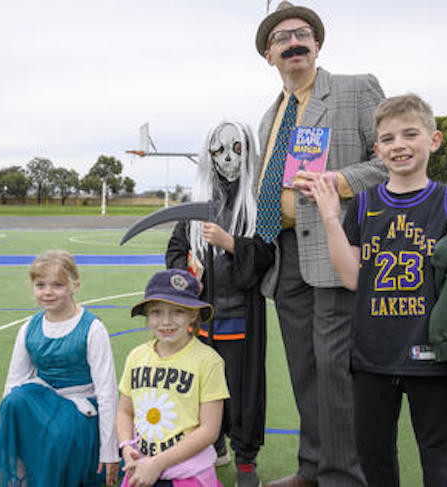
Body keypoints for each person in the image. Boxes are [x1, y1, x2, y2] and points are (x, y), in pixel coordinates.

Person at [310, 93, 447, 486]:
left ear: (434, 139)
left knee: (440, 458)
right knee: (374, 458)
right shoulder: (363, 206)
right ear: (377, 149)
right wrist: (330, 217)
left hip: (431, 354)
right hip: (372, 355)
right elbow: (352, 278)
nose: (399, 145)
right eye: (389, 138)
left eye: (410, 134)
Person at [253, 2, 386, 486]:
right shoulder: (271, 117)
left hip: (334, 251)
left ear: (317, 44)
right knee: (305, 372)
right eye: (282, 38)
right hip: (285, 256)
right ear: (269, 56)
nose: (294, 42)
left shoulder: (354, 89)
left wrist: (338, 182)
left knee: (334, 373)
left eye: (302, 33)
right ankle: (312, 467)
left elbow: (390, 161)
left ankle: (344, 478)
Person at [166, 121, 274, 487]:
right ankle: (213, 444)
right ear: (207, 154)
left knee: (240, 391)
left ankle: (246, 459)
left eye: (236, 148)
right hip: (201, 322)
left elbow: (266, 255)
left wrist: (231, 243)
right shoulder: (196, 206)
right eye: (218, 149)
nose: (228, 158)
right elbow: (175, 251)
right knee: (200, 389)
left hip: (241, 318)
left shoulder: (258, 202)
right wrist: (186, 274)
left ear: (248, 151)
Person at [0, 250, 120, 486]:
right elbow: (13, 383)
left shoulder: (92, 328)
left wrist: (109, 451)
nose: (47, 292)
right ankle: (21, 475)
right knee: (14, 400)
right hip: (46, 404)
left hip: (80, 410)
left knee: (60, 433)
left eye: (57, 285)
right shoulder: (30, 327)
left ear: (75, 285)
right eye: (40, 285)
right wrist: (10, 431)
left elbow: (107, 392)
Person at [116, 269, 230, 487]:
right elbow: (125, 410)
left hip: (187, 472)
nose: (165, 321)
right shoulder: (137, 356)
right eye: (156, 312)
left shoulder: (208, 361)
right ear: (147, 315)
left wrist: (158, 463)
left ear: (193, 314)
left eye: (177, 311)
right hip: (142, 467)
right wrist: (126, 446)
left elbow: (209, 430)